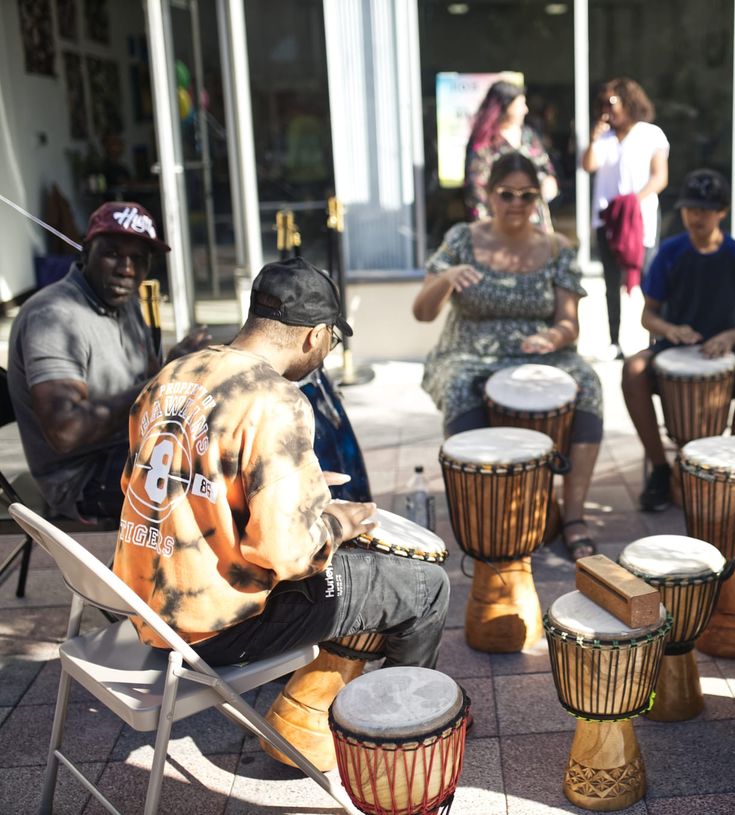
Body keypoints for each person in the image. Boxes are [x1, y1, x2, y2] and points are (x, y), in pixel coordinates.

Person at [114, 256, 449, 670]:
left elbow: (151, 484)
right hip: (214, 628)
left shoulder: (171, 374)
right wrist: (337, 524)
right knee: (425, 586)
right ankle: (399, 726)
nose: (327, 352)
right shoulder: (275, 398)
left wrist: (291, 486)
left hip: (147, 607)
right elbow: (287, 554)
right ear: (315, 336)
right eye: (333, 341)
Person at [414, 152, 603, 561]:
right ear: (488, 194)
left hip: (539, 355)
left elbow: (570, 323)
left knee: (588, 384)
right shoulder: (462, 239)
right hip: (467, 352)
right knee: (461, 388)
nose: (517, 202)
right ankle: (486, 514)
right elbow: (422, 312)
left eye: (527, 194)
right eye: (507, 193)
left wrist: (554, 335)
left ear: (538, 198)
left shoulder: (557, 248)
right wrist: (445, 279)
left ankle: (573, 517)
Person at [7, 201, 199, 521]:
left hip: (129, 448)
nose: (126, 268)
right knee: (209, 479)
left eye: (138, 258)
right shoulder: (53, 318)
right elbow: (65, 432)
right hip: (80, 479)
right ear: (85, 252)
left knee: (227, 446)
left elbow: (149, 382)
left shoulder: (124, 301)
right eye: (113, 253)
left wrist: (183, 366)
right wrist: (165, 377)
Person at [622, 169, 735, 512]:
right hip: (676, 342)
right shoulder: (669, 253)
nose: (695, 216)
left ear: (722, 211)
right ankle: (660, 468)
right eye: (690, 208)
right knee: (633, 369)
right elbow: (648, 315)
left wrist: (729, 338)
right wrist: (670, 330)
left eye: (703, 209)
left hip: (727, 343)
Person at [582, 77, 670, 360]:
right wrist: (595, 136)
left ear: (628, 102)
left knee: (648, 279)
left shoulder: (651, 134)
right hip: (608, 220)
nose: (607, 109)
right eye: (602, 104)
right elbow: (589, 165)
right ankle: (614, 341)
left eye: (612, 103)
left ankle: (656, 338)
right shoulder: (604, 137)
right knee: (610, 281)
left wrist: (634, 200)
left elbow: (660, 177)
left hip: (639, 219)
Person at [464, 80, 558, 221]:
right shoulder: (484, 143)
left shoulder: (529, 136)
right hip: (498, 227)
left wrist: (549, 182)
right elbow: (476, 189)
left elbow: (546, 168)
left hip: (532, 224)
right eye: (520, 105)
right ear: (505, 107)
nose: (525, 110)